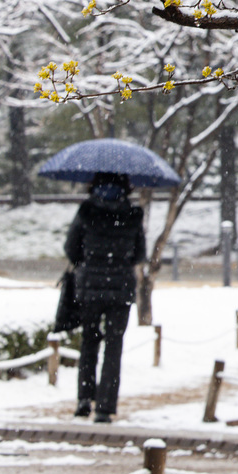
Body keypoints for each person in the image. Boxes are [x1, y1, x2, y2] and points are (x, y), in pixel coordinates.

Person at [63, 171, 145, 423]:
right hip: (120, 287)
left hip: (90, 285)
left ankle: (84, 399)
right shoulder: (132, 214)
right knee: (114, 345)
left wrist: (87, 262)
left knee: (89, 342)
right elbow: (139, 253)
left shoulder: (87, 211)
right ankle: (105, 406)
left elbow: (71, 247)